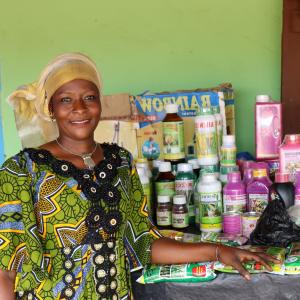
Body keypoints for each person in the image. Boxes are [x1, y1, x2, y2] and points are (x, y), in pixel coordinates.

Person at [0, 53, 277, 300]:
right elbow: (5, 270)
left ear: (100, 102)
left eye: (89, 97)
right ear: (51, 109)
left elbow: (144, 243)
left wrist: (218, 251)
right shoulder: (21, 172)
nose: (79, 108)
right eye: (65, 100)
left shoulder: (120, 163)